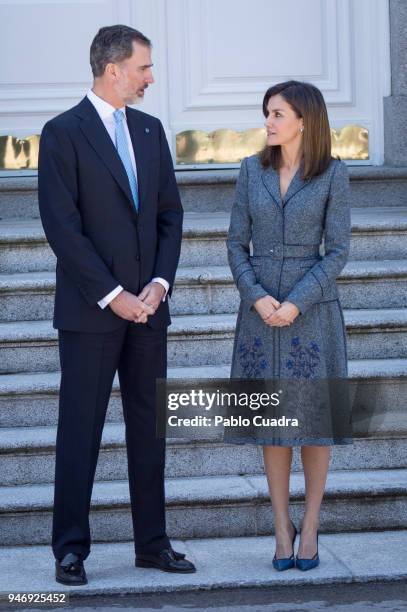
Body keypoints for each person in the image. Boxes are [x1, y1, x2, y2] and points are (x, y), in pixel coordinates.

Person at [38, 24, 196, 585]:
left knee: (150, 428)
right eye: (144, 68)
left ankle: (153, 544)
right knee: (80, 428)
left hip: (150, 311)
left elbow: (170, 217)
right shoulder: (62, 133)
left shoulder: (152, 131)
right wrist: (114, 296)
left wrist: (158, 285)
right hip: (91, 312)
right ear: (113, 70)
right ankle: (70, 550)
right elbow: (63, 227)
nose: (150, 78)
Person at [227, 80, 352, 572]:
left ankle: (312, 524)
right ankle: (282, 527)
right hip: (260, 316)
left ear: (304, 119)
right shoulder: (249, 170)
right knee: (271, 428)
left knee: (314, 427)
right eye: (267, 113)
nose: (269, 121)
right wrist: (257, 297)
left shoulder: (332, 174)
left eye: (278, 113)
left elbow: (338, 250)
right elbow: (236, 243)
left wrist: (297, 302)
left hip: (313, 314)